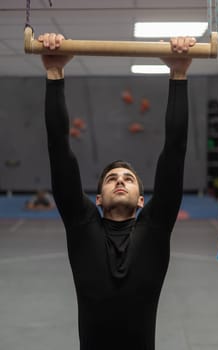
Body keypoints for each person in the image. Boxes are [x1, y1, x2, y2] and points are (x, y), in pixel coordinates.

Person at [38, 33, 196, 350]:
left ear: (141, 199)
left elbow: (175, 151)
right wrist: (54, 73)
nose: (120, 181)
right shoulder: (82, 228)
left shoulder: (155, 230)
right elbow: (59, 151)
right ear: (98, 199)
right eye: (111, 178)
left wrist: (179, 74)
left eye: (127, 177)